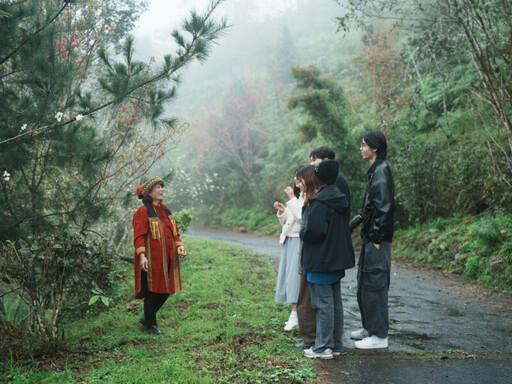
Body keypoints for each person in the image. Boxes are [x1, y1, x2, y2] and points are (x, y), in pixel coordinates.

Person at [299, 160, 355, 359]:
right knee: (334, 303)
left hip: (321, 259)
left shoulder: (321, 201)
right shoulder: (339, 197)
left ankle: (322, 347)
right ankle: (335, 345)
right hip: (335, 258)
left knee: (322, 304)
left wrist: (303, 232)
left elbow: (315, 231)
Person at [349, 130, 395, 349]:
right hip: (369, 238)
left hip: (376, 240)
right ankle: (369, 328)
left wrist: (376, 237)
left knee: (375, 285)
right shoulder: (375, 171)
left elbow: (384, 208)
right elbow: (369, 207)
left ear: (374, 148)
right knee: (365, 285)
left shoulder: (382, 171)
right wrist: (353, 224)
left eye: (364, 144)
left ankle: (379, 337)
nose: (361, 148)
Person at [133, 176, 187, 335]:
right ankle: (151, 325)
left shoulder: (167, 211)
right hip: (153, 259)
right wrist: (142, 256)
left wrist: (180, 246)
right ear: (149, 193)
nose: (162, 189)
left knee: (167, 288)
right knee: (153, 290)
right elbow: (139, 236)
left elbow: (175, 232)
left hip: (169, 258)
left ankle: (146, 317)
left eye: (162, 187)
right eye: (158, 187)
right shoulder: (142, 212)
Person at [273, 167, 305, 331]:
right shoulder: (299, 196)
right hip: (289, 241)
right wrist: (283, 212)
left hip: (299, 242)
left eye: (299, 177)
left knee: (295, 279)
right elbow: (290, 221)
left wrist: (292, 199)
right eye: (295, 178)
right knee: (288, 278)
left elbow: (301, 218)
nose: (296, 181)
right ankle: (294, 314)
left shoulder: (306, 196)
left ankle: (295, 315)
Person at [294, 165, 318, 349]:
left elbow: (309, 230)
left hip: (310, 256)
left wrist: (303, 234)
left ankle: (309, 338)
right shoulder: (308, 199)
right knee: (304, 296)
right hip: (306, 255)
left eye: (300, 180)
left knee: (306, 297)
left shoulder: (314, 200)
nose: (297, 183)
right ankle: (307, 336)